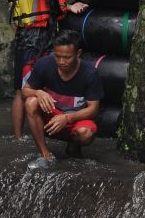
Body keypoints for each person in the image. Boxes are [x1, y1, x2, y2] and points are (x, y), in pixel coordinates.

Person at [2, 0, 87, 142]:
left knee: (50, 84)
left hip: (50, 36)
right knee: (24, 90)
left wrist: (69, 7)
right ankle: (18, 138)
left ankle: (47, 129)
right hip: (29, 39)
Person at [22, 30, 105, 169]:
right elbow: (24, 92)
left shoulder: (90, 74)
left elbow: (93, 109)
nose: (61, 61)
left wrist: (67, 118)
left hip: (74, 119)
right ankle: (45, 155)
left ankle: (73, 146)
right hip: (51, 116)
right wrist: (38, 92)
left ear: (78, 54)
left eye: (66, 57)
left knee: (86, 134)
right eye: (57, 56)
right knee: (31, 101)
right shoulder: (44, 64)